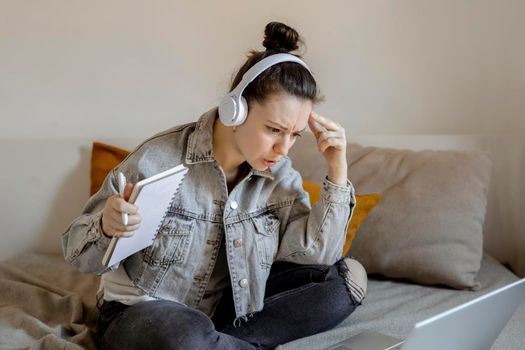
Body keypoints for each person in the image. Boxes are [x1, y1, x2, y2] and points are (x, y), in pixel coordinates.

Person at [62, 21, 367, 350]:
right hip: (143, 314)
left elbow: (318, 257)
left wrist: (338, 169)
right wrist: (107, 228)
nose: (284, 149)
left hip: (226, 313)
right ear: (234, 110)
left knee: (346, 281)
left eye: (295, 135)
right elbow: (77, 254)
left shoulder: (280, 175)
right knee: (183, 335)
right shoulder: (156, 159)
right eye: (274, 130)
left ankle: (216, 344)